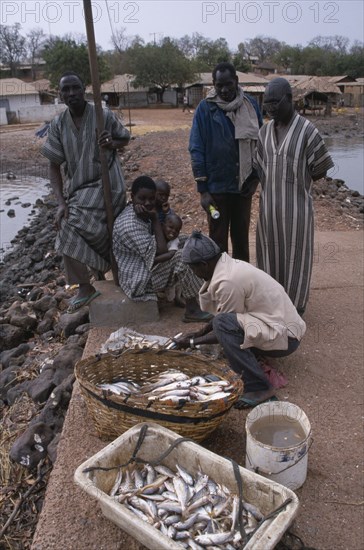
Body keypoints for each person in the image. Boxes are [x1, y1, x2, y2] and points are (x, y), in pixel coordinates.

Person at [174, 230, 306, 408]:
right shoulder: (227, 264)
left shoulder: (228, 281)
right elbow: (226, 315)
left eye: (193, 268)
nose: (193, 272)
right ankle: (253, 355)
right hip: (283, 326)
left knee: (223, 326)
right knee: (224, 323)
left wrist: (191, 342)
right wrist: (199, 332)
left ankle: (260, 387)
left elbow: (224, 327)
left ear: (203, 264)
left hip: (287, 338)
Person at [41, 72, 130, 313]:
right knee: (66, 222)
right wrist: (61, 202)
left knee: (77, 224)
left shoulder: (102, 114)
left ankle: (94, 280)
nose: (71, 94)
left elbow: (125, 138)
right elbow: (53, 165)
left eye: (75, 89)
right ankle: (86, 284)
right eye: (66, 90)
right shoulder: (58, 124)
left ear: (84, 90)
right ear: (61, 95)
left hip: (107, 183)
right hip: (79, 189)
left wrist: (111, 142)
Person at [254, 78, 334, 315]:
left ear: (289, 99)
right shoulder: (264, 132)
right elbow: (259, 167)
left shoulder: (308, 131)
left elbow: (320, 170)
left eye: (274, 103)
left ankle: (295, 308)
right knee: (269, 256)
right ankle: (271, 303)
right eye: (266, 104)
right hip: (268, 211)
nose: (270, 108)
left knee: (296, 258)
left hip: (297, 212)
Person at [189, 62, 263, 262]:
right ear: (214, 84)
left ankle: (242, 287)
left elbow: (261, 146)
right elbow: (196, 149)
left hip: (243, 188)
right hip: (216, 190)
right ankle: (222, 288)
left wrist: (255, 179)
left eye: (228, 84)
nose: (224, 90)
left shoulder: (251, 105)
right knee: (218, 244)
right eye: (219, 85)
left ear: (236, 82)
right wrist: (203, 191)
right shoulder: (205, 109)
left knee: (241, 243)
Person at [112, 176, 212, 323]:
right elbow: (162, 251)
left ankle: (191, 292)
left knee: (190, 239)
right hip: (138, 279)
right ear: (132, 197)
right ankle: (192, 309)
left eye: (151, 199)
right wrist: (154, 219)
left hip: (146, 262)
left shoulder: (139, 211)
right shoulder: (130, 225)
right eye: (142, 198)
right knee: (182, 257)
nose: (147, 203)